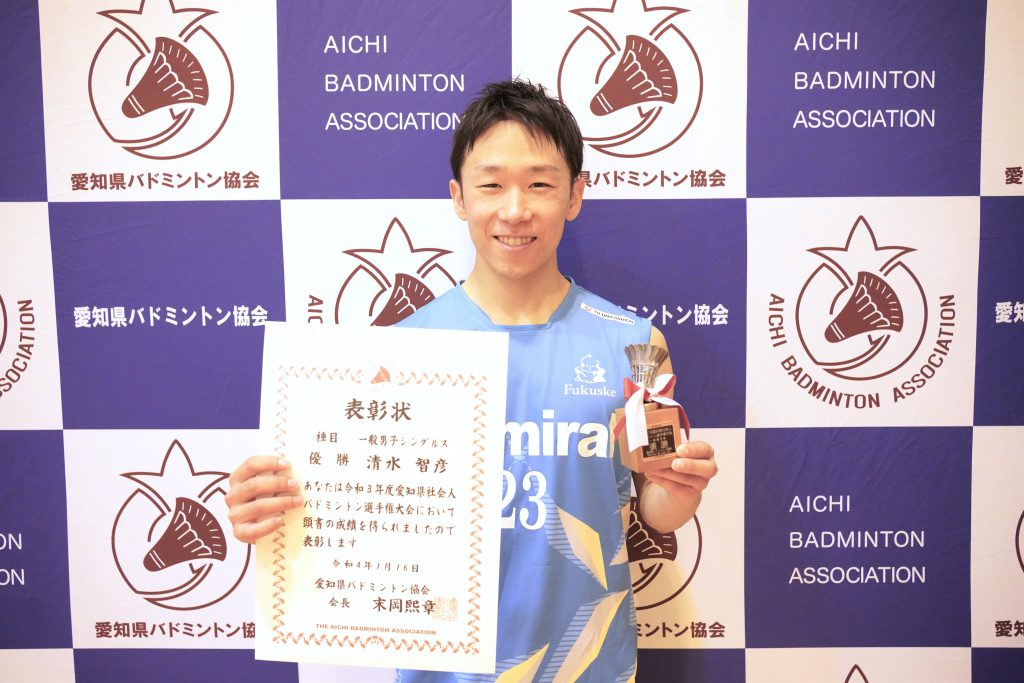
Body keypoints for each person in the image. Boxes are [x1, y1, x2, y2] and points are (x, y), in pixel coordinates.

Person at [226, 79, 717, 682]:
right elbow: (354, 514)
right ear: (459, 197)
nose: (515, 210)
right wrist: (274, 512)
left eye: (540, 184)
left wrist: (679, 493)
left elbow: (656, 507)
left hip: (588, 666)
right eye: (491, 185)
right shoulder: (399, 352)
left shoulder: (636, 347)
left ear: (575, 195)